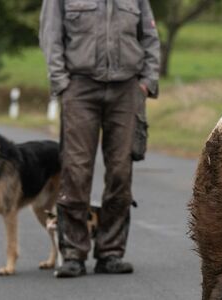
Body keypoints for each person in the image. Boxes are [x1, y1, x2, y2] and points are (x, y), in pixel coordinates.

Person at [39, 0, 160, 278]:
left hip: (126, 89)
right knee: (76, 170)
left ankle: (111, 253)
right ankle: (73, 254)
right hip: (79, 87)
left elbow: (150, 37)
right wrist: (61, 83)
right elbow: (50, 35)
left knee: (120, 171)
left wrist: (147, 82)